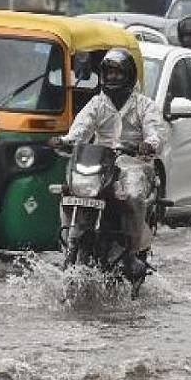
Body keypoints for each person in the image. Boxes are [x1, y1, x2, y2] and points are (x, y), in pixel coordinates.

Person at [50, 48, 165, 277]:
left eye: (117, 73)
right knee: (69, 191)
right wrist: (64, 141)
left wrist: (148, 144)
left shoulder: (144, 105)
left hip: (134, 164)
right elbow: (80, 131)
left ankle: (132, 254)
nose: (112, 77)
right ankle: (70, 244)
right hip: (101, 163)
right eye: (108, 72)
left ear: (129, 75)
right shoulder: (97, 103)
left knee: (132, 196)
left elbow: (156, 134)